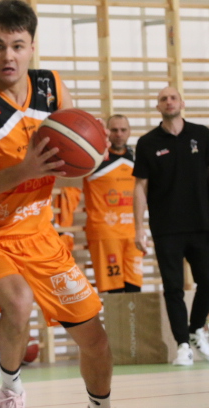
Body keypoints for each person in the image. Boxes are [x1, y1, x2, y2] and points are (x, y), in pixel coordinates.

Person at [0, 0, 112, 408]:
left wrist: (95, 152)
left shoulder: (52, 88)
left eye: (17, 46)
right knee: (18, 301)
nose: (8, 56)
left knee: (95, 340)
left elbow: (74, 164)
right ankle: (11, 390)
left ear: (32, 47)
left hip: (41, 237)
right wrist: (24, 170)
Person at [133, 86, 209, 366]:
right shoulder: (147, 142)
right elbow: (140, 186)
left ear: (182, 103)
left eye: (173, 97)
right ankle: (182, 346)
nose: (169, 101)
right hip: (166, 227)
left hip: (202, 222)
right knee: (173, 287)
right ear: (158, 107)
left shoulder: (201, 134)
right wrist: (138, 227)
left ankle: (195, 328)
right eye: (163, 99)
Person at [82, 114, 142, 293]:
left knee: (134, 288)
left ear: (129, 132)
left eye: (123, 130)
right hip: (105, 232)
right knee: (114, 291)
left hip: (133, 234)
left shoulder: (137, 160)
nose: (119, 134)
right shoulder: (94, 159)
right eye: (114, 130)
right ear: (107, 132)